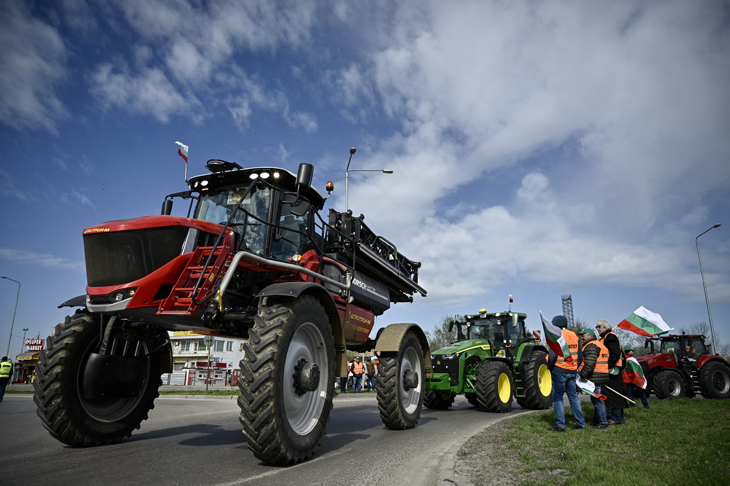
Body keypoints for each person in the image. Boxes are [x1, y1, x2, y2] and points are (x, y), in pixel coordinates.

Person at [547, 315, 585, 432]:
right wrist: (575, 367)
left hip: (559, 370)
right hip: (572, 371)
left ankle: (560, 425)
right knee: (573, 397)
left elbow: (552, 356)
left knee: (558, 398)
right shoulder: (574, 336)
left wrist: (550, 368)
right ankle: (581, 423)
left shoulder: (556, 335)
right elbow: (580, 355)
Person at [576, 329, 610, 430]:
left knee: (596, 400)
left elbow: (590, 362)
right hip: (602, 375)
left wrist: (584, 375)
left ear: (590, 336)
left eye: (583, 336)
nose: (582, 338)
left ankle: (604, 422)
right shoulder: (600, 345)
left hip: (596, 376)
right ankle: (596, 421)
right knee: (597, 399)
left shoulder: (591, 346)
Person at [597, 319, 626, 424]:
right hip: (615, 368)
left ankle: (616, 418)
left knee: (613, 394)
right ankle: (620, 417)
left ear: (605, 327)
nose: (597, 329)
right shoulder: (607, 337)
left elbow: (615, 353)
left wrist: (608, 366)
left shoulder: (610, 336)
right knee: (616, 393)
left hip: (613, 370)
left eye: (599, 326)